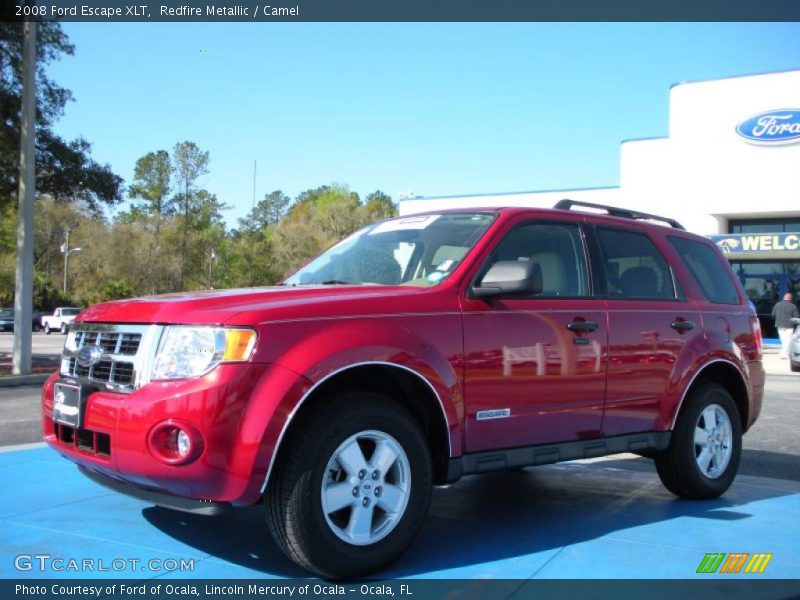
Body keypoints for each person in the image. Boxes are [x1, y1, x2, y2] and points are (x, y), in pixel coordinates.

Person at [772, 292, 799, 359]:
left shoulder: (777, 305)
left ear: (784, 298)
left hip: (779, 325)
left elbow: (773, 315)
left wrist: (778, 319)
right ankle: (784, 354)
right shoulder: (793, 306)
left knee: (783, 340)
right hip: (789, 326)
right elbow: (796, 317)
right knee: (788, 340)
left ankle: (784, 353)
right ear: (790, 299)